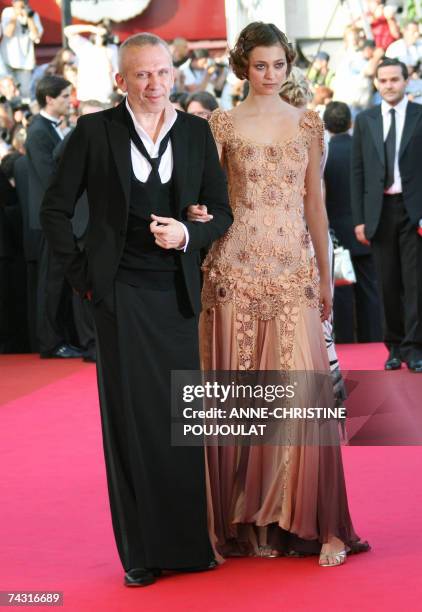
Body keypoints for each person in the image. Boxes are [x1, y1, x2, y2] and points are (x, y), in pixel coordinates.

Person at [40, 33, 233, 587]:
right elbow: (54, 210)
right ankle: (141, 554)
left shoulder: (196, 132)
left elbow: (221, 211)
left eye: (162, 73)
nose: (154, 84)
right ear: (122, 80)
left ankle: (190, 546)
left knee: (178, 422)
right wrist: (84, 279)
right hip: (118, 295)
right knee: (129, 423)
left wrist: (189, 238)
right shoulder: (95, 132)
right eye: (142, 75)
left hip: (176, 297)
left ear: (175, 75)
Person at [189, 22, 369, 567]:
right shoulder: (219, 124)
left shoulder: (308, 124)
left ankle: (320, 525)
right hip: (232, 270)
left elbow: (315, 204)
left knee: (304, 399)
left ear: (289, 66)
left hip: (293, 271)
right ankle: (244, 522)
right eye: (260, 65)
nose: (270, 75)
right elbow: (208, 200)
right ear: (243, 66)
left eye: (279, 65)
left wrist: (321, 273)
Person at [351, 57, 422, 372]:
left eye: (395, 79)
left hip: (414, 211)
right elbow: (358, 171)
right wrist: (359, 219)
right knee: (388, 284)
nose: (389, 85)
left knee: (416, 283)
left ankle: (415, 348)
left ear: (407, 81)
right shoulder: (365, 120)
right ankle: (394, 347)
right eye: (384, 80)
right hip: (379, 211)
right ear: (377, 83)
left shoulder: (420, 115)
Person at [26, 75, 84, 358]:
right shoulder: (38, 131)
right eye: (63, 96)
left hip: (60, 217)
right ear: (49, 99)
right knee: (50, 283)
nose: (67, 101)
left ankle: (61, 338)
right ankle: (50, 342)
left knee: (60, 281)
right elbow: (49, 177)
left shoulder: (54, 128)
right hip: (49, 219)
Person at [323, 101, 382, 343]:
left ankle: (345, 340)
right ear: (350, 123)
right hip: (365, 228)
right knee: (370, 288)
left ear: (325, 125)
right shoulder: (365, 153)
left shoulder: (325, 154)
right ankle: (373, 338)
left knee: (342, 290)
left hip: (336, 232)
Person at [0, 0, 43, 98]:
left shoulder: (33, 15)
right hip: (7, 60)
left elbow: (36, 37)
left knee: (24, 94)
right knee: (8, 93)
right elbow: (8, 33)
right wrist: (16, 14)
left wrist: (29, 18)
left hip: (25, 62)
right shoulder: (8, 12)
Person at [63, 24, 114, 103]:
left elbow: (115, 73)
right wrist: (92, 28)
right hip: (86, 97)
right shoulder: (85, 46)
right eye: (98, 34)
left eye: (104, 35)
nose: (101, 36)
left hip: (105, 98)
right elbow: (67, 31)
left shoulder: (112, 49)